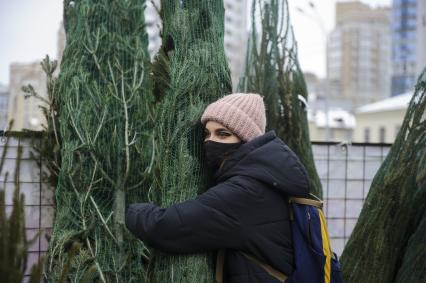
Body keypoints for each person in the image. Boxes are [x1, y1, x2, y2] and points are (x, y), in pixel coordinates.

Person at [125, 93, 310, 282]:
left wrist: (126, 210)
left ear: (246, 138)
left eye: (223, 134)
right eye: (207, 133)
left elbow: (165, 227)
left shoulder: (245, 192)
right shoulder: (265, 178)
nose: (210, 141)